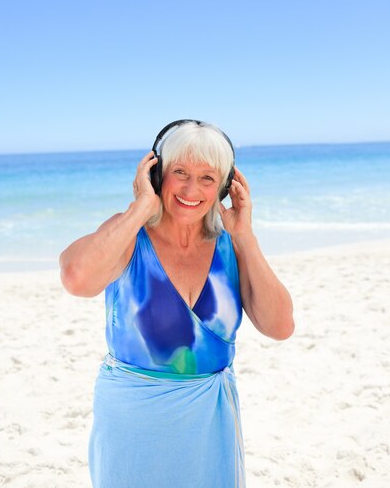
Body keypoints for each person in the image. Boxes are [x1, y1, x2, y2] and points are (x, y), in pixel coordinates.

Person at [59, 119, 294, 488]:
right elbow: (76, 279)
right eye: (179, 172)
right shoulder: (129, 235)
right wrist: (139, 208)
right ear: (157, 176)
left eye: (207, 177)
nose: (190, 188)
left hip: (208, 425)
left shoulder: (231, 244)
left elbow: (280, 326)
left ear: (224, 186)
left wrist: (245, 236)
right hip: (133, 423)